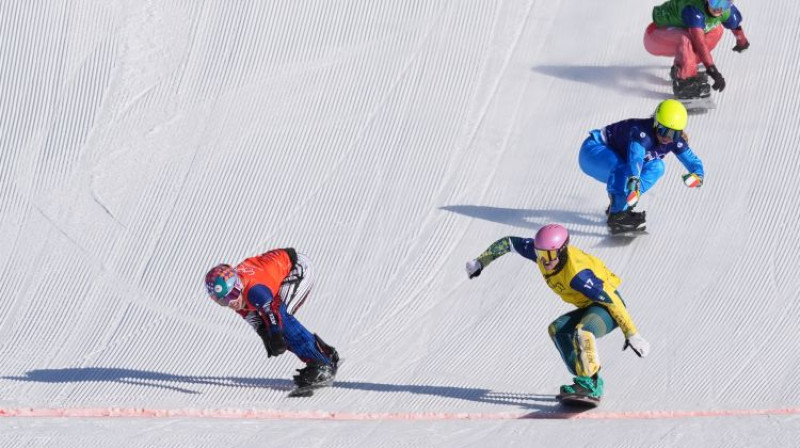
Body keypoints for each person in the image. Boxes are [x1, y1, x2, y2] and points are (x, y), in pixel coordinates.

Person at [465, 224, 650, 402]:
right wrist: (481, 261)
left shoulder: (578, 275)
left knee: (582, 331)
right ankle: (589, 379)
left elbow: (612, 300)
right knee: (558, 330)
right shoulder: (542, 256)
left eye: (550, 255)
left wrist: (632, 333)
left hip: (608, 308)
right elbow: (509, 243)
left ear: (561, 252)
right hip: (589, 305)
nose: (544, 261)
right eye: (540, 253)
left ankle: (589, 385)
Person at [205, 248, 339, 390]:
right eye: (223, 302)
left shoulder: (253, 290)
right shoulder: (237, 296)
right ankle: (321, 355)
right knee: (273, 330)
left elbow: (272, 313)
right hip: (274, 272)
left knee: (281, 319)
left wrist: (275, 334)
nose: (231, 303)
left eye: (233, 294)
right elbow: (254, 319)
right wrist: (266, 334)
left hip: (297, 268)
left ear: (238, 285)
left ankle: (322, 363)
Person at [578, 99, 704, 232]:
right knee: (624, 169)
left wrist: (698, 175)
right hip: (592, 151)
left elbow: (693, 162)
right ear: (656, 123)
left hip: (615, 160)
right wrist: (634, 180)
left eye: (674, 133)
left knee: (657, 167)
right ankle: (617, 216)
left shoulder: (674, 141)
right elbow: (635, 158)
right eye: (663, 131)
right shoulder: (642, 133)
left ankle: (622, 205)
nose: (668, 137)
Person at [644, 0, 750, 98]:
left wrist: (742, 41)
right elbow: (700, 43)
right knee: (686, 40)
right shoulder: (694, 11)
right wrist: (712, 70)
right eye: (715, 1)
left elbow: (735, 26)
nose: (719, 8)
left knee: (716, 30)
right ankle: (684, 83)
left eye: (725, 3)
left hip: (680, 29)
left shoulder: (726, 11)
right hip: (654, 35)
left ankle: (683, 67)